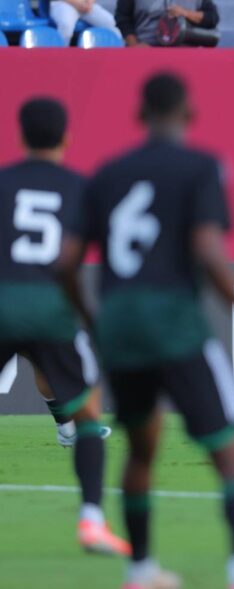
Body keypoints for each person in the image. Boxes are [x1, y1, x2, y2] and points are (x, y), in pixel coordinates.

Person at [57, 73, 234, 589]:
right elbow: (207, 248)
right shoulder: (201, 168)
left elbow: (65, 262)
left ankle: (140, 569)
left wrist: (93, 320)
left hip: (120, 324)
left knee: (140, 446)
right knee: (230, 443)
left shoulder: (106, 175)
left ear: (140, 114)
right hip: (174, 320)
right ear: (189, 113)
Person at [0, 98, 129, 556]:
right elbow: (80, 261)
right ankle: (92, 521)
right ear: (66, 138)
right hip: (51, 307)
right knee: (89, 415)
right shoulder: (80, 187)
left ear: (19, 137)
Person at [115, 0, 219, 46]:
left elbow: (212, 18)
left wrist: (186, 13)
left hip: (184, 51)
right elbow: (122, 18)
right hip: (146, 49)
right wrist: (135, 46)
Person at [49, 0, 121, 45]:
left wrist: (89, 3)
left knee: (111, 22)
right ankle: (59, 57)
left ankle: (120, 56)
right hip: (63, 3)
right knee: (66, 25)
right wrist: (78, 3)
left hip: (86, 4)